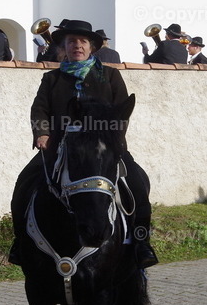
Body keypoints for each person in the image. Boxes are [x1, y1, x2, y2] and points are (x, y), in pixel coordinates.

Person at [9, 19, 157, 269]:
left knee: (136, 181)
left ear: (91, 47)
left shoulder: (110, 75)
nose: (77, 46)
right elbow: (40, 108)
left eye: (82, 42)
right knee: (24, 182)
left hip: (103, 148)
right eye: (71, 42)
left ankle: (141, 242)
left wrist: (113, 140)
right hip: (59, 148)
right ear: (64, 47)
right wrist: (42, 133)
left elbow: (122, 110)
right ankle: (20, 242)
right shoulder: (52, 78)